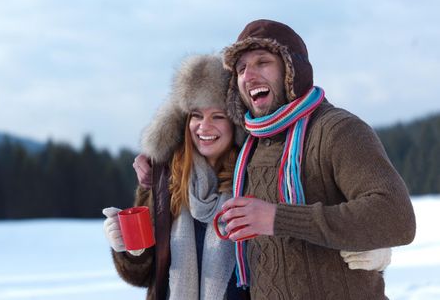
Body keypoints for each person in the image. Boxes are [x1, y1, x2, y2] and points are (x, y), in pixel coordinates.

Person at [102, 54, 390, 300]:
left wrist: (370, 246)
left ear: (236, 123)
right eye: (196, 115)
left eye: (218, 116)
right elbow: (143, 276)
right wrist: (129, 250)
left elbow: (300, 240)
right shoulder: (166, 182)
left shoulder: (256, 176)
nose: (205, 126)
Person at [219, 19, 416, 299]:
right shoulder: (248, 147)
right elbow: (195, 143)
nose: (248, 76)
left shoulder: (337, 129)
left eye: (262, 62)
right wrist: (153, 163)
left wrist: (278, 218)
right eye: (240, 69)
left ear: (291, 70)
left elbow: (396, 216)